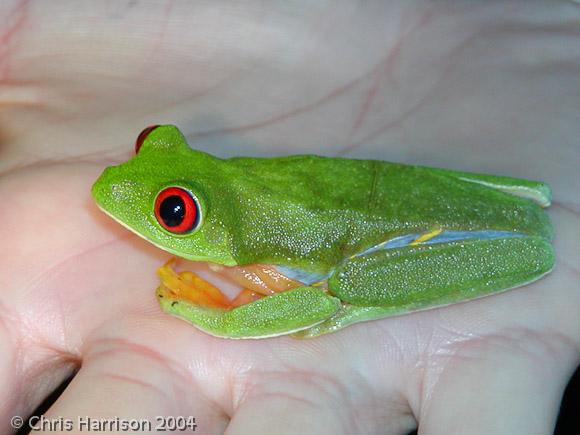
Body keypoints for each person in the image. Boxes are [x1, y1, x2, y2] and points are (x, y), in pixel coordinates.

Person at [1, 2, 579, 434]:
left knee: (347, 282)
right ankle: (521, 198)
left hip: (395, 236)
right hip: (390, 190)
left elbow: (314, 299)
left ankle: (514, 227)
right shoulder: (240, 202)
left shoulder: (248, 235)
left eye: (172, 211)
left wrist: (224, 322)